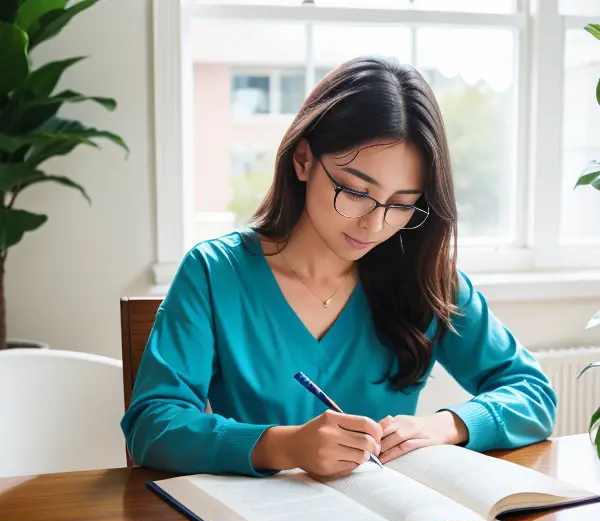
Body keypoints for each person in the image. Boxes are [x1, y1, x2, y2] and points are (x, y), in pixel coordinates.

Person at [121, 56, 556, 478]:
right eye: (356, 192)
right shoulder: (215, 273)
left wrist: (445, 425)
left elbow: (534, 394)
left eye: (402, 204)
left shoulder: (424, 279)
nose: (376, 223)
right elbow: (152, 424)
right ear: (304, 159)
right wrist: (284, 445)